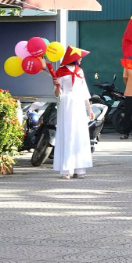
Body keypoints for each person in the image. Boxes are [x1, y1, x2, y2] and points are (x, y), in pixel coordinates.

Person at [52, 46, 94, 179]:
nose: (81, 59)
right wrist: (56, 85)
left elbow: (84, 91)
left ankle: (79, 168)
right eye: (79, 57)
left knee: (79, 133)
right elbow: (57, 93)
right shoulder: (60, 71)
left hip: (78, 104)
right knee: (67, 133)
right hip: (66, 103)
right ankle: (66, 168)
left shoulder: (80, 71)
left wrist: (89, 109)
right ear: (73, 58)